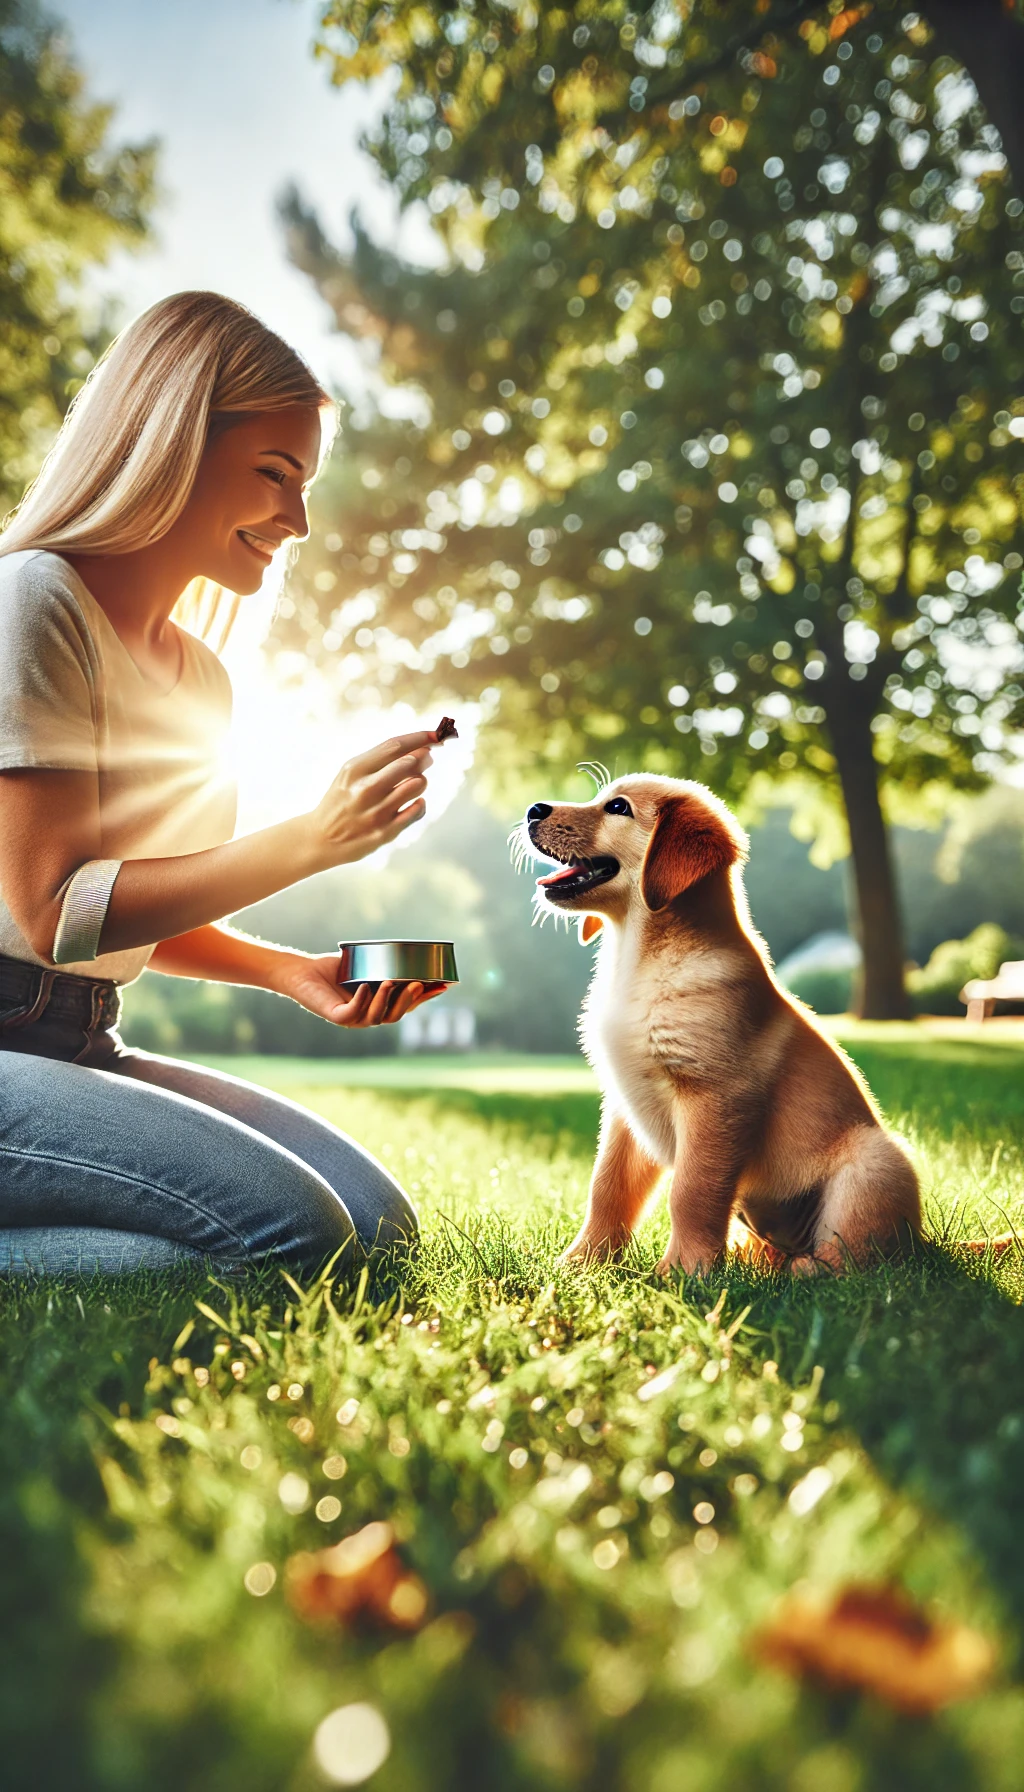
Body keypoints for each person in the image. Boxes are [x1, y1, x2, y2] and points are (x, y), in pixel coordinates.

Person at [0, 291, 446, 1275]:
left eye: (305, 485)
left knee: (379, 1230)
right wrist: (311, 839)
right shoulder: (34, 601)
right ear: (172, 448)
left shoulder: (200, 675)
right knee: (294, 1240)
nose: (294, 518)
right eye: (273, 475)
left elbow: (126, 907)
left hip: (79, 1043)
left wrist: (291, 972)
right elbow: (51, 912)